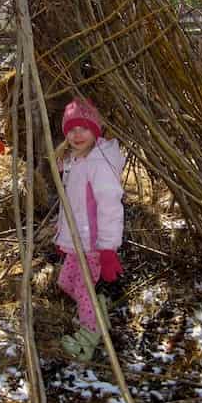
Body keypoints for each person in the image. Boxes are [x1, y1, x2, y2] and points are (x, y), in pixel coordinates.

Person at [55, 97, 125, 360]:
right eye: (71, 129)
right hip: (77, 241)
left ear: (95, 130)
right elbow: (70, 205)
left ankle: (89, 338)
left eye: (83, 128)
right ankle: (98, 312)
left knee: (84, 291)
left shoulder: (99, 165)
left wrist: (108, 250)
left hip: (94, 244)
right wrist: (62, 236)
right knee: (66, 282)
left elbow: (110, 209)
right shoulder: (74, 161)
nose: (77, 134)